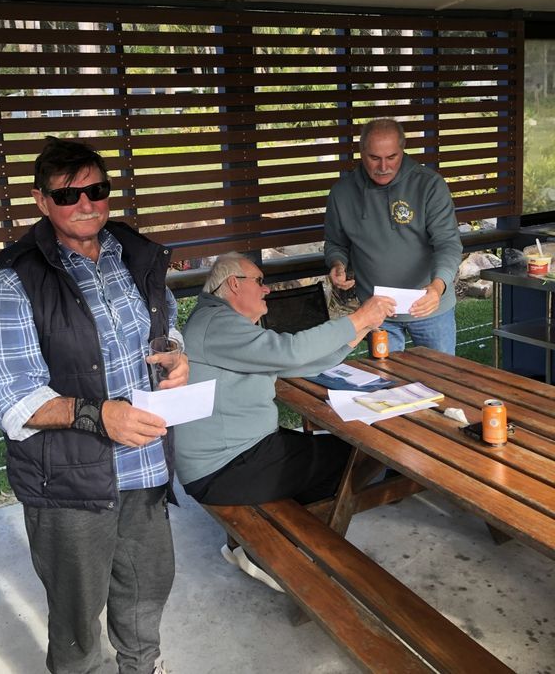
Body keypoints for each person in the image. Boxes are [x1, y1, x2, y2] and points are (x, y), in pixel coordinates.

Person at [0, 136, 189, 674]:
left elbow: (163, 320)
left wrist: (174, 356)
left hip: (144, 462)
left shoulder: (131, 251)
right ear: (41, 201)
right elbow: (9, 395)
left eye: (97, 190)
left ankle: (142, 667)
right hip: (69, 480)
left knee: (146, 586)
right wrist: (102, 415)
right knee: (78, 616)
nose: (86, 204)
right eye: (69, 195)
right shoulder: (18, 277)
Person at [174, 252, 395, 590]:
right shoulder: (217, 324)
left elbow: (296, 364)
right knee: (354, 457)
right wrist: (358, 317)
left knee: (331, 451)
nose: (267, 290)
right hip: (226, 467)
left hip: (233, 456)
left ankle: (243, 542)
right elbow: (288, 350)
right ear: (234, 284)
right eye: (260, 282)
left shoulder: (220, 323)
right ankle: (270, 550)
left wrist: (360, 328)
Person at [324, 118, 463, 355]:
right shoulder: (342, 192)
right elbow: (336, 243)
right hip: (378, 309)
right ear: (361, 152)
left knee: (440, 381)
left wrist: (437, 287)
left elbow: (448, 243)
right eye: (374, 158)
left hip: (429, 307)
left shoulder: (429, 185)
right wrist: (338, 263)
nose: (383, 167)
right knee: (384, 384)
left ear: (403, 150)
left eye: (392, 157)